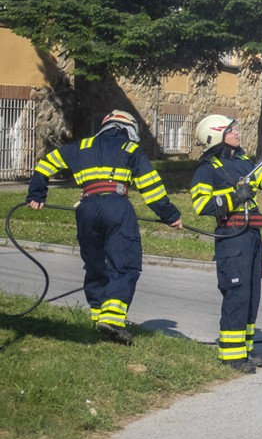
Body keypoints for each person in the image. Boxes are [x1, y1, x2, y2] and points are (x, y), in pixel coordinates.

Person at [26, 109, 184, 344]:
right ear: (129, 129)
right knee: (125, 262)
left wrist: (37, 195)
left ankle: (98, 317)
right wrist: (170, 216)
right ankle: (112, 319)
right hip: (116, 207)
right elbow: (152, 188)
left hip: (86, 208)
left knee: (95, 263)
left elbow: (45, 164)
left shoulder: (80, 146)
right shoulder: (130, 149)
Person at [190, 114, 262, 371]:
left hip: (252, 236)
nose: (237, 133)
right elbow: (201, 204)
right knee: (237, 293)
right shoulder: (207, 168)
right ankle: (232, 356)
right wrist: (234, 197)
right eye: (230, 130)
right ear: (216, 135)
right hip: (232, 238)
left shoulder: (244, 163)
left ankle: (245, 350)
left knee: (251, 294)